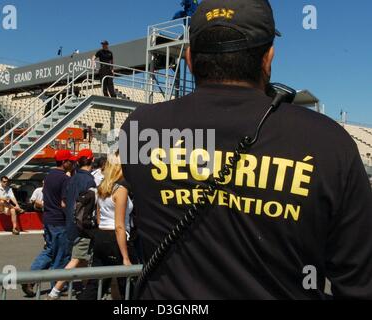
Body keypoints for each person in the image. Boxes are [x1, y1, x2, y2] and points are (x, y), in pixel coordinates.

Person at [120, 0, 372, 299]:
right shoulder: (328, 140)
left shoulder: (140, 129)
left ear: (189, 58)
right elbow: (358, 281)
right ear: (269, 58)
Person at [77, 153, 135, 300]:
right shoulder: (120, 190)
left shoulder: (102, 188)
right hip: (116, 239)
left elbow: (98, 216)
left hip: (100, 235)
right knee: (127, 285)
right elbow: (119, 226)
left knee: (96, 283)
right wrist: (126, 257)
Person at [22, 150, 77, 298]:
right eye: (70, 161)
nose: (72, 163)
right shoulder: (64, 179)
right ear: (64, 162)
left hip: (48, 218)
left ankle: (29, 278)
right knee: (61, 255)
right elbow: (64, 203)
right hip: (59, 221)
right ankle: (56, 287)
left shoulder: (50, 175)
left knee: (50, 250)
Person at [47, 149, 97, 300]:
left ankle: (87, 289)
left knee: (81, 259)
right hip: (83, 226)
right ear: (92, 160)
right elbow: (91, 206)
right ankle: (54, 292)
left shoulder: (72, 179)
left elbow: (64, 202)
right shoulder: (89, 181)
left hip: (69, 223)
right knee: (76, 259)